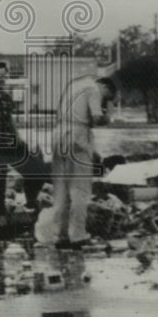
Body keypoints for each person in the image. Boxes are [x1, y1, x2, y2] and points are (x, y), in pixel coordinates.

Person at [49, 75, 116, 249]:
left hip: (58, 137)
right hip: (77, 139)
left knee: (61, 190)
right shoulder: (94, 89)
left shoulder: (74, 85)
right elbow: (96, 119)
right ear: (106, 88)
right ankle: (78, 236)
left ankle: (60, 235)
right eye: (106, 97)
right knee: (80, 190)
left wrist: (92, 151)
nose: (103, 100)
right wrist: (108, 113)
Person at [0, 60, 25, 228]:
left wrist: (17, 138)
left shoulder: (6, 97)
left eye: (1, 76)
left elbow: (9, 120)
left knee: (0, 178)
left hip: (3, 143)